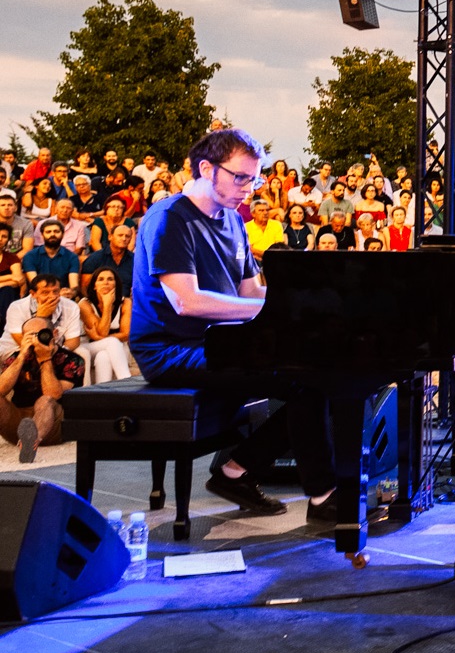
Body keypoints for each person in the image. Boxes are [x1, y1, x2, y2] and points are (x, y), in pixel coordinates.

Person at [129, 127, 338, 522]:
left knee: (318, 373)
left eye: (254, 179)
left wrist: (307, 301)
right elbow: (186, 302)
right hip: (171, 349)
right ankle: (322, 496)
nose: (249, 188)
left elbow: (252, 291)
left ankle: (235, 472)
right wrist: (273, 310)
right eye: (241, 177)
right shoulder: (170, 218)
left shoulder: (232, 219)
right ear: (207, 169)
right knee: (303, 381)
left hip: (223, 340)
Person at [0, 291, 84, 461]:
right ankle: (25, 439)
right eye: (30, 335)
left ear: (55, 334)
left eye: (41, 334)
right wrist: (21, 357)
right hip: (18, 421)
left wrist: (45, 359)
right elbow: (1, 390)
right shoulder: (15, 358)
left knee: (45, 401)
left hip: (55, 423)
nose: (37, 339)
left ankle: (31, 443)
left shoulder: (72, 360)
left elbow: (54, 394)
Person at [78, 267, 132, 383]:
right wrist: (107, 305)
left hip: (119, 348)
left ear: (116, 284)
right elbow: (103, 332)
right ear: (94, 285)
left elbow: (126, 334)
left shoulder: (125, 302)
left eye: (110, 279)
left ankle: (102, 390)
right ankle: (127, 381)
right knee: (112, 342)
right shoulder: (85, 304)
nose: (106, 282)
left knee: (103, 356)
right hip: (90, 347)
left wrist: (97, 337)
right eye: (101, 279)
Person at [23, 219, 80, 295]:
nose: (52, 234)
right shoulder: (30, 256)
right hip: (38, 295)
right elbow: (35, 284)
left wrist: (71, 292)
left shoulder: (72, 257)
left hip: (63, 295)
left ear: (63, 234)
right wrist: (52, 294)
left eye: (56, 231)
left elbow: (74, 285)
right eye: (48, 232)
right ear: (42, 235)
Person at [80, 223, 135, 296]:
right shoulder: (95, 258)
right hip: (99, 300)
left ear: (130, 239)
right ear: (110, 237)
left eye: (127, 236)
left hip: (126, 300)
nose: (124, 239)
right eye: (120, 235)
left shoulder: (135, 260)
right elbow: (84, 287)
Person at [0, 222, 24, 318]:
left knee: (7, 290)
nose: (0, 239)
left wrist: (2, 284)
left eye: (4, 236)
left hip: (5, 294)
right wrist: (10, 276)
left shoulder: (11, 257)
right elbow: (14, 277)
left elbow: (18, 279)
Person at [0, 190, 35, 256]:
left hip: (17, 258)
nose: (6, 208)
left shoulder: (26, 224)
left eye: (10, 205)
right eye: (2, 205)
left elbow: (27, 249)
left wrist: (12, 260)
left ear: (15, 208)